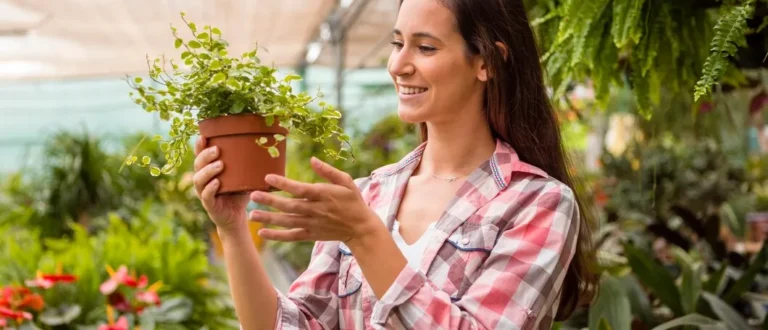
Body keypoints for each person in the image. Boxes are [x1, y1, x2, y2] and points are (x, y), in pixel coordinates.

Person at [192, 0, 597, 329]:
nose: (398, 65)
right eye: (397, 43)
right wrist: (233, 231)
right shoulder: (368, 194)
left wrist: (366, 236)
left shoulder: (536, 203)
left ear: (486, 62)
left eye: (425, 47)